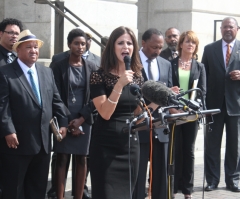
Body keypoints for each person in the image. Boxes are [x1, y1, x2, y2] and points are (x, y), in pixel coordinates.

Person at [89, 26, 158, 199]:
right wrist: (119, 85)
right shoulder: (98, 76)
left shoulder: (137, 77)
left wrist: (159, 100)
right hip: (105, 145)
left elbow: (138, 112)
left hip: (129, 145)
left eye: (129, 43)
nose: (125, 47)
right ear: (112, 46)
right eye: (121, 43)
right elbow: (104, 113)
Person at [0, 29, 68, 199]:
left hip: (43, 143)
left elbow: (56, 100)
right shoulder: (5, 72)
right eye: (29, 47)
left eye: (36, 47)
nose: (34, 51)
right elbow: (3, 105)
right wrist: (8, 130)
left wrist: (64, 122)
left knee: (37, 189)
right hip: (17, 143)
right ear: (18, 50)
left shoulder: (46, 72)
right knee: (14, 189)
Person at [52, 28, 98, 199]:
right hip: (63, 118)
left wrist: (81, 119)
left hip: (84, 118)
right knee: (62, 158)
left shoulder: (92, 67)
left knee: (82, 159)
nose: (80, 47)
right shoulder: (58, 66)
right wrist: (66, 122)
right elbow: (54, 94)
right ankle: (60, 196)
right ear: (69, 44)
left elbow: (96, 97)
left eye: (83, 44)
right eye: (76, 43)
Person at [133, 28, 174, 199]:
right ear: (143, 43)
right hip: (139, 126)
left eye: (160, 47)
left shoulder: (166, 64)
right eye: (153, 47)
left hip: (161, 127)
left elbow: (170, 94)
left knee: (160, 175)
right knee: (138, 174)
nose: (157, 51)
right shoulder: (132, 63)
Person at [202, 17, 240, 192]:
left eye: (231, 27)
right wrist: (203, 104)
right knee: (212, 145)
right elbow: (203, 77)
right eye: (225, 27)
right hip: (213, 105)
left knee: (235, 146)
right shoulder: (209, 49)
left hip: (236, 106)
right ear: (221, 29)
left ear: (237, 29)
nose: (227, 29)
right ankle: (212, 180)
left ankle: (233, 180)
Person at [171, 31, 206, 198]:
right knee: (175, 149)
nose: (190, 45)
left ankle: (187, 189)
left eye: (193, 43)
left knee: (189, 151)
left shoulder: (199, 67)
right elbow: (167, 88)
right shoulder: (170, 64)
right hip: (174, 113)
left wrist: (195, 107)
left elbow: (202, 92)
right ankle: (173, 186)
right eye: (187, 41)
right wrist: (174, 108)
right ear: (181, 44)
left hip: (191, 114)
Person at [0, 17, 23, 199]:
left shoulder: (18, 58)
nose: (14, 36)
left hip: (14, 122)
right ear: (1, 34)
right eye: (10, 33)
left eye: (17, 33)